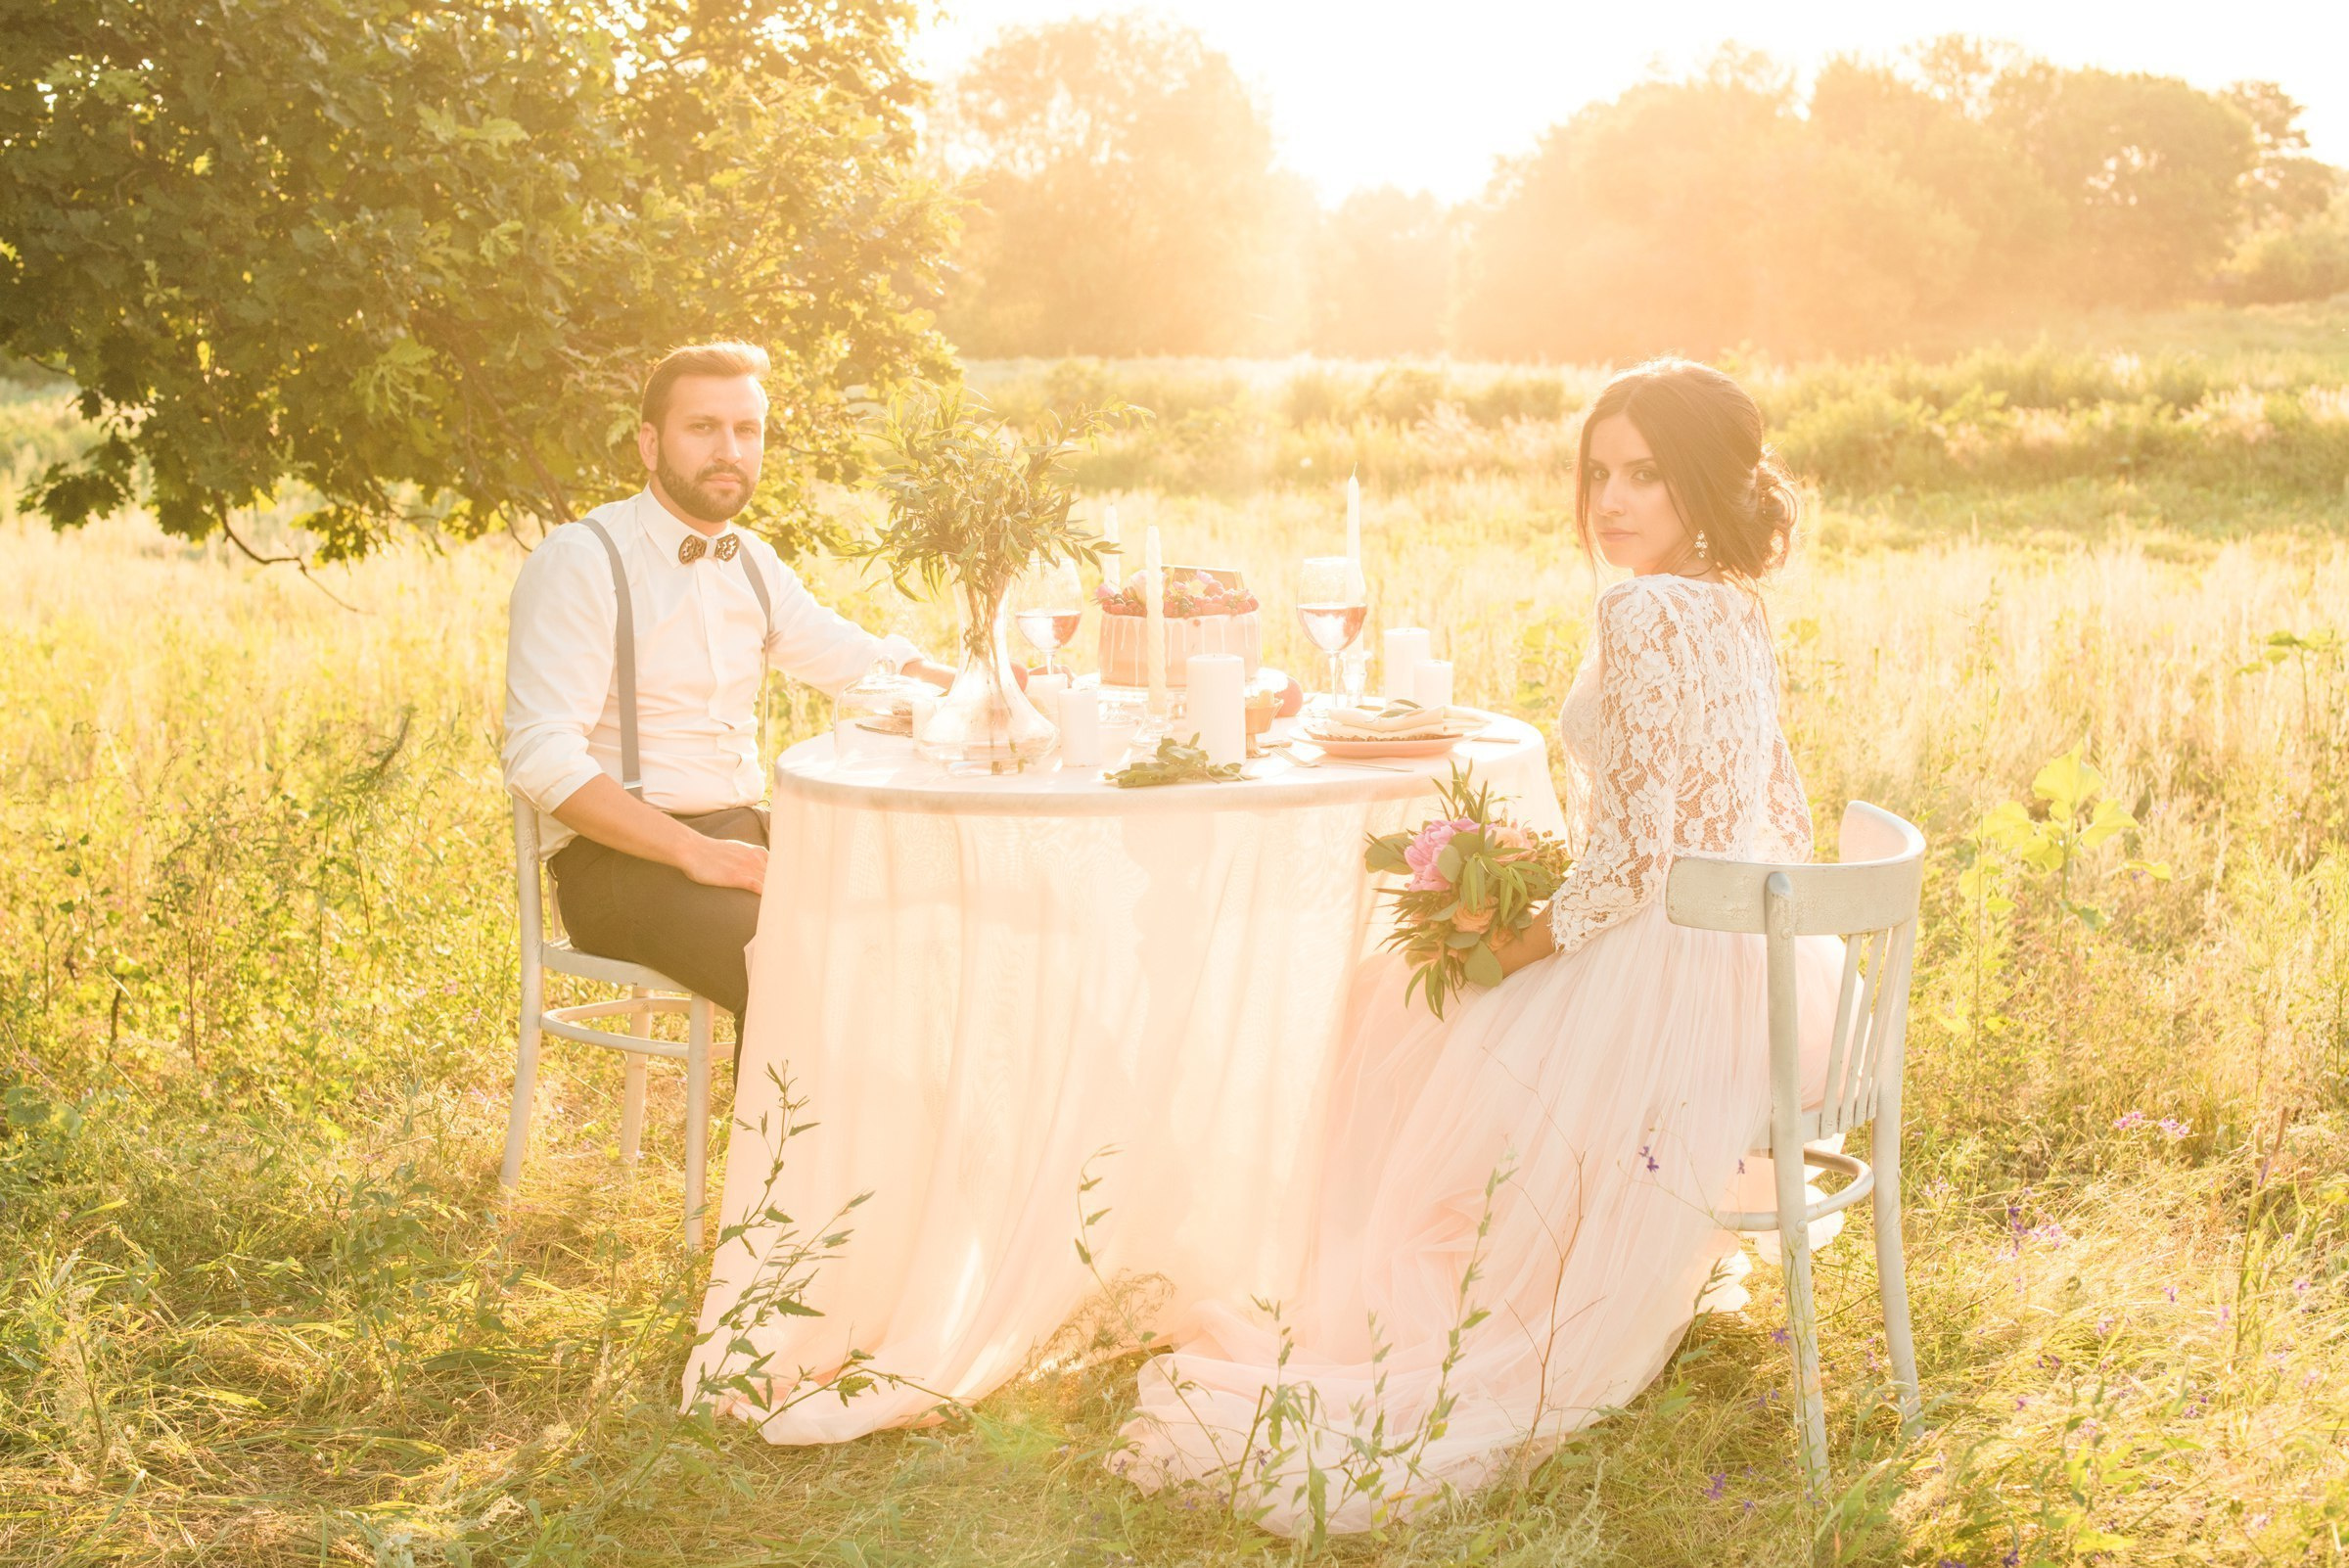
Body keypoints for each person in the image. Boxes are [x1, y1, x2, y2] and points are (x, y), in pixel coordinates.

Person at [1112, 359, 1850, 1535]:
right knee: (1409, 1006)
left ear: (1705, 483)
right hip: (1760, 972)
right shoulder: (1734, 606)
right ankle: (1493, 1263)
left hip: (1672, 963)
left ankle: (1434, 1296)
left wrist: (1523, 943)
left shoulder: (1644, 607)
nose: (1612, 501)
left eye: (1646, 476)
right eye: (1599, 472)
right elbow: (1785, 815)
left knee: (1392, 1013)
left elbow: (1637, 859)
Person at [502, 342, 951, 1031]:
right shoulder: (582, 560)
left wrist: (993, 685)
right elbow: (540, 756)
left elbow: (860, 662)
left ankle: (880, 1140)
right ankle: (779, 1144)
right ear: (650, 445)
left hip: (742, 837)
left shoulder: (753, 563)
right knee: (797, 964)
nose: (730, 450)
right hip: (621, 863)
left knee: (924, 922)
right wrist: (695, 853)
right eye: (703, 427)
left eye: (747, 431)